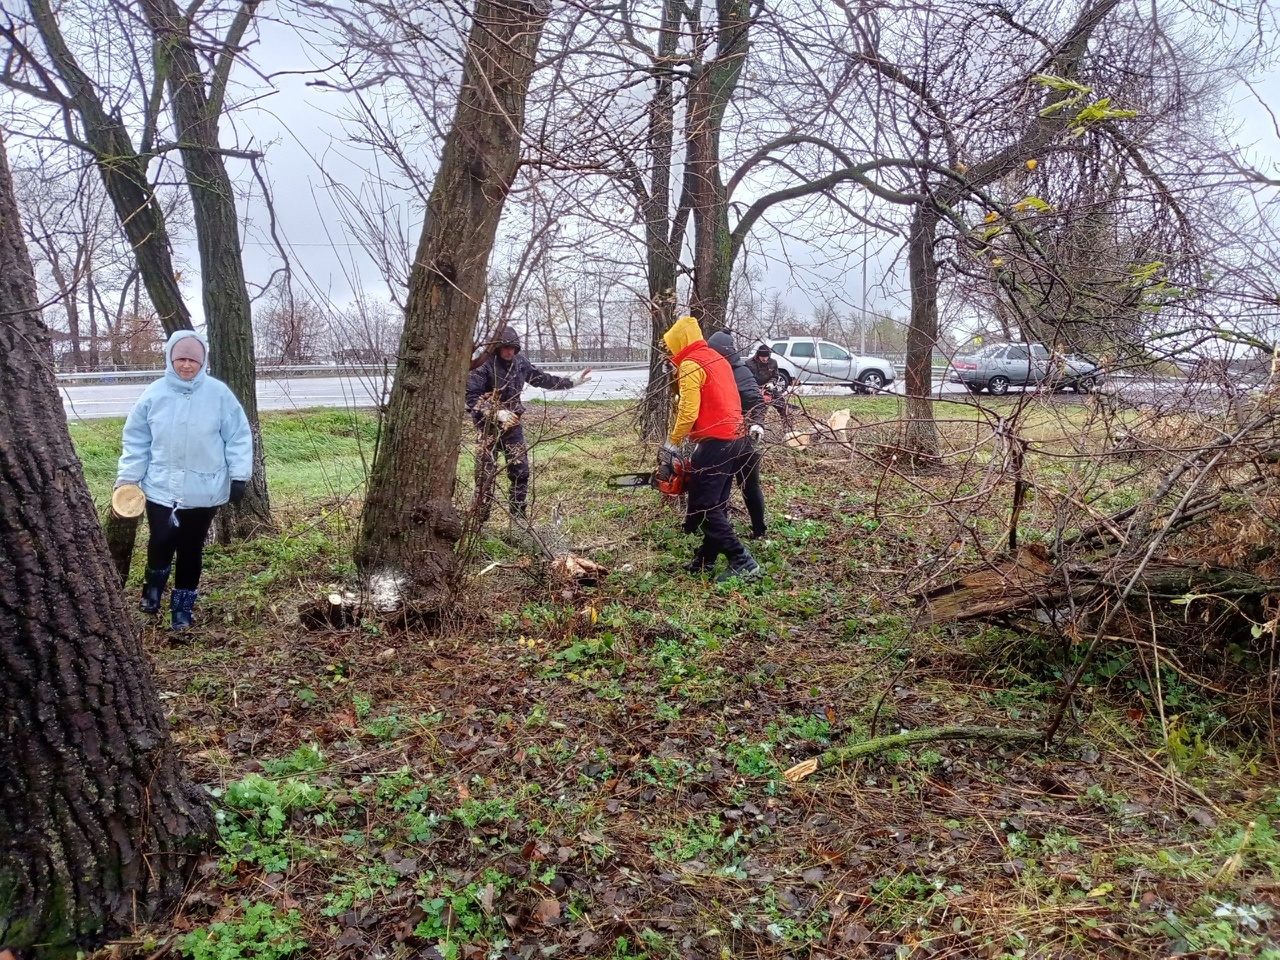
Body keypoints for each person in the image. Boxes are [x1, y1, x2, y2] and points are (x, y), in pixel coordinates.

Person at [116, 330, 252, 631]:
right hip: (160, 487)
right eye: (181, 359)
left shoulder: (219, 395)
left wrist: (240, 475)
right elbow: (137, 440)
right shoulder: (154, 394)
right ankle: (152, 589)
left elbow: (239, 437)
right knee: (160, 540)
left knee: (191, 548)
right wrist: (128, 478)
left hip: (203, 489)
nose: (186, 365)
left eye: (193, 360)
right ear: (170, 359)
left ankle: (182, 607)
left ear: (202, 362)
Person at [660, 315, 762, 581]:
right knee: (716, 504)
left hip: (716, 441)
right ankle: (705, 558)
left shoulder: (692, 364)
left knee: (703, 507)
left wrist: (673, 441)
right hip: (737, 439)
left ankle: (742, 560)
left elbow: (688, 409)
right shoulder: (718, 360)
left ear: (679, 343)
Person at [466, 324, 591, 520]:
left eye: (513, 348)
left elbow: (543, 379)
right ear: (496, 348)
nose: (509, 352)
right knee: (485, 478)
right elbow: (472, 399)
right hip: (486, 429)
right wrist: (496, 413)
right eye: (505, 347)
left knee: (520, 472)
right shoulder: (483, 366)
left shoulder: (520, 362)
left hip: (512, 427)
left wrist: (572, 382)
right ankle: (478, 524)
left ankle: (518, 521)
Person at [707, 330, 768, 539]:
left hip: (743, 437)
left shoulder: (740, 372)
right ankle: (720, 532)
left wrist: (757, 424)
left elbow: (757, 402)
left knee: (749, 485)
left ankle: (759, 530)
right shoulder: (710, 370)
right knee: (720, 487)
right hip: (719, 438)